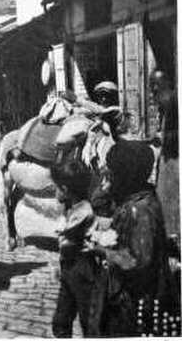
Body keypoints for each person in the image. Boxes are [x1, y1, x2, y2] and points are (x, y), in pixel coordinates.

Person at [93, 140, 176, 336]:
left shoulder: (140, 209)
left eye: (112, 174)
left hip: (136, 307)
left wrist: (101, 250)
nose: (108, 180)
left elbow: (137, 261)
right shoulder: (135, 199)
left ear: (126, 175)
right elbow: (99, 201)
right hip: (129, 301)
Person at [50, 159, 101, 337]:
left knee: (87, 318)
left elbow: (64, 237)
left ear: (64, 189)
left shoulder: (83, 211)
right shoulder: (73, 207)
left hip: (82, 269)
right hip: (69, 268)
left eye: (56, 187)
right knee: (61, 319)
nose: (54, 191)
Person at [150, 70, 179, 246]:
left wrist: (164, 138)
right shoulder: (166, 105)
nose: (153, 89)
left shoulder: (175, 101)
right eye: (151, 85)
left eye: (156, 84)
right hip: (168, 162)